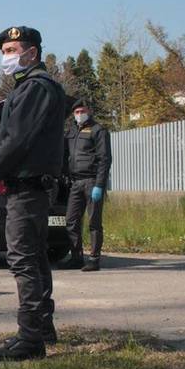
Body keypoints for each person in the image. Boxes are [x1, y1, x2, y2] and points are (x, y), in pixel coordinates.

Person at [0, 26, 66, 360]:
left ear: (32, 53)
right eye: (4, 51)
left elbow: (17, 141)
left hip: (27, 188)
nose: (6, 57)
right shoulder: (29, 88)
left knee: (23, 259)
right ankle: (41, 328)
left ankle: (30, 339)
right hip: (29, 187)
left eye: (12, 49)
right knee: (36, 258)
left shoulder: (36, 88)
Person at [62, 99, 112, 271]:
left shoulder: (98, 130)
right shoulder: (72, 131)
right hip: (75, 183)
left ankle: (94, 259)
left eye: (82, 111)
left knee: (94, 222)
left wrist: (100, 185)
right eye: (76, 112)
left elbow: (105, 159)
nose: (79, 114)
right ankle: (76, 257)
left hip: (92, 182)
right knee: (71, 220)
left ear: (89, 111)